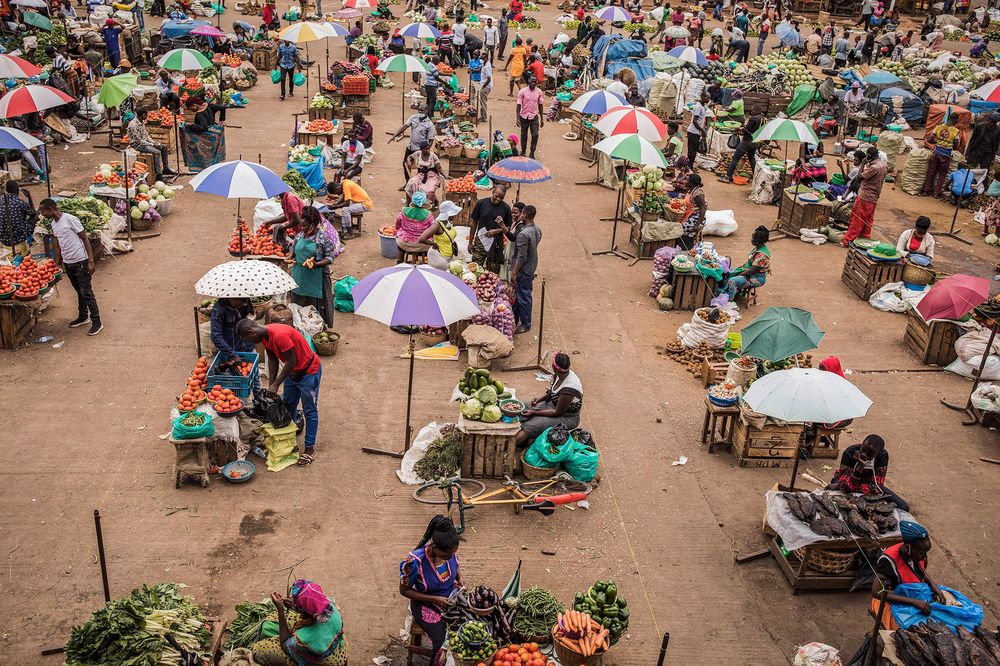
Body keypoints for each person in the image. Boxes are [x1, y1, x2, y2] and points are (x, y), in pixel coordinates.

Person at [237, 320, 322, 464]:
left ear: (251, 332)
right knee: (288, 406)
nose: (250, 343)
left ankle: (309, 448)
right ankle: (290, 439)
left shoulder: (279, 335)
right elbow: (273, 360)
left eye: (248, 339)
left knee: (310, 410)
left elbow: (291, 361)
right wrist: (272, 385)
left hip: (309, 372)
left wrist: (276, 384)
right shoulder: (265, 337)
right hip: (292, 373)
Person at [399, 516, 462, 666]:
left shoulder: (449, 551)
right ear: (434, 547)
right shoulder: (415, 562)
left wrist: (460, 578)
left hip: (450, 599)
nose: (450, 557)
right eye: (446, 555)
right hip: (425, 605)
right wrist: (435, 599)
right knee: (442, 642)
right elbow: (404, 591)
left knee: (466, 630)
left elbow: (455, 566)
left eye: (452, 554)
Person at [39, 198, 101, 335]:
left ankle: (97, 322)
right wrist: (58, 263)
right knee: (79, 290)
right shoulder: (54, 224)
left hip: (80, 261)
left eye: (43, 211)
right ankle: (83, 316)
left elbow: (84, 238)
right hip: (68, 263)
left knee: (87, 293)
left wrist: (90, 261)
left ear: (51, 209)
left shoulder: (70, 219)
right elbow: (61, 244)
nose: (42, 214)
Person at [251, 579, 348, 665]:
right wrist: (290, 602)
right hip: (330, 638)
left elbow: (285, 644)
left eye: (299, 607)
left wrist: (280, 610)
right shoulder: (329, 606)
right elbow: (309, 605)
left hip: (319, 654)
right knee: (271, 623)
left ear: (307, 613)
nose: (296, 609)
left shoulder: (305, 639)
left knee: (259, 649)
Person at [871, 522, 945, 630]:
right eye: (921, 553)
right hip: (889, 601)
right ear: (907, 548)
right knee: (916, 629)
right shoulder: (888, 561)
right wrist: (913, 602)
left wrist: (933, 585)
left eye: (926, 553)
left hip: (913, 596)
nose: (924, 556)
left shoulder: (918, 554)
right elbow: (876, 592)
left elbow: (921, 571)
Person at [515, 352, 583, 447]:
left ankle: (506, 446)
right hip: (552, 405)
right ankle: (523, 437)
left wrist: (534, 412)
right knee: (520, 406)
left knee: (532, 425)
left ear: (554, 367)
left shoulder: (570, 388)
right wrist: (540, 399)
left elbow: (557, 412)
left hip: (567, 417)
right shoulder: (559, 374)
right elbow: (552, 392)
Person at [829, 434, 909, 510]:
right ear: (862, 444)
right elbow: (846, 487)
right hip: (847, 479)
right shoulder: (849, 453)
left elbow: (877, 486)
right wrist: (860, 466)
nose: (864, 455)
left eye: (869, 454)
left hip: (868, 483)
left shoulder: (882, 456)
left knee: (903, 507)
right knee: (833, 498)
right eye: (863, 450)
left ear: (878, 453)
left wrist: (861, 466)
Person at [288, 207, 336, 327]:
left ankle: (315, 329)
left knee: (312, 309)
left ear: (313, 224)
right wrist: (290, 255)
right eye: (301, 225)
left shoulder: (323, 238)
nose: (302, 228)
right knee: (298, 305)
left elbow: (330, 257)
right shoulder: (300, 235)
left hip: (315, 278)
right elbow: (293, 249)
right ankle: (300, 328)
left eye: (305, 225)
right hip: (299, 276)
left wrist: (316, 264)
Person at [842, 147, 887, 246]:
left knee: (857, 219)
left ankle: (847, 240)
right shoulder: (883, 165)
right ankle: (864, 240)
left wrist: (863, 164)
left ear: (869, 156)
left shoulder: (874, 168)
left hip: (865, 196)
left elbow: (859, 177)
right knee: (867, 220)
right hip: (874, 197)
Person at [507, 204, 541, 333]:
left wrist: (514, 272)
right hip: (532, 265)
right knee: (520, 294)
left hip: (524, 269)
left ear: (526, 215)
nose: (520, 215)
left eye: (522, 213)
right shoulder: (537, 229)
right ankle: (516, 317)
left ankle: (526, 324)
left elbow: (521, 256)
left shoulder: (523, 234)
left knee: (524, 296)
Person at [715, 225, 770, 305]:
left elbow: (751, 272)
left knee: (732, 280)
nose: (751, 239)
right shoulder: (758, 248)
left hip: (756, 278)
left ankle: (728, 302)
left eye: (753, 238)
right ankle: (724, 293)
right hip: (747, 271)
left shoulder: (762, 256)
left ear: (757, 240)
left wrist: (738, 275)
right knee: (726, 273)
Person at [390, 104, 436, 187]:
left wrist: (426, 151)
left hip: (420, 150)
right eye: (419, 110)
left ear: (426, 111)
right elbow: (405, 126)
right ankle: (408, 184)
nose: (420, 111)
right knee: (406, 164)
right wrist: (395, 135)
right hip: (410, 147)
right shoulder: (413, 118)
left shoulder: (429, 125)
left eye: (422, 110)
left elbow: (431, 140)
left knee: (421, 168)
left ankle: (419, 186)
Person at [469, 185, 512, 273]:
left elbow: (509, 228)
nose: (498, 199)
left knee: (493, 272)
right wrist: (470, 242)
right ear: (492, 192)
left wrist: (496, 231)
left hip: (496, 244)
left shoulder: (506, 208)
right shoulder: (481, 203)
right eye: (497, 196)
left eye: (502, 198)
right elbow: (474, 223)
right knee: (475, 269)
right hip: (481, 241)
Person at [127, 109, 175, 181]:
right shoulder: (133, 125)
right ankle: (159, 175)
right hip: (136, 145)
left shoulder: (141, 121)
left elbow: (146, 136)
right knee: (157, 152)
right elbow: (139, 140)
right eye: (144, 115)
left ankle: (166, 169)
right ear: (140, 115)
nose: (146, 117)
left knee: (164, 147)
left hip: (144, 142)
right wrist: (152, 144)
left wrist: (154, 143)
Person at [182, 100, 227, 172]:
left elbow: (203, 127)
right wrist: (222, 119)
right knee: (212, 154)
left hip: (206, 137)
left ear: (194, 105)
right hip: (214, 135)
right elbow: (222, 107)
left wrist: (190, 126)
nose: (192, 111)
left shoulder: (199, 114)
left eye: (191, 108)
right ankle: (213, 167)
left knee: (205, 154)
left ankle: (205, 169)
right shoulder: (208, 105)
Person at [923, 114, 960, 198]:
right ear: (956, 121)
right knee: (942, 174)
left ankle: (926, 190)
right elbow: (955, 146)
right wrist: (947, 143)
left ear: (948, 118)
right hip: (946, 155)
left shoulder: (938, 127)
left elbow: (929, 140)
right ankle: (936, 193)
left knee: (931, 171)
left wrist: (938, 142)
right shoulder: (956, 131)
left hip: (936, 152)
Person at [720, 110, 762, 182]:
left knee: (735, 158)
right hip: (755, 142)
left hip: (747, 142)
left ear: (756, 110)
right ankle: (757, 176)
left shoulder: (753, 119)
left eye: (753, 110)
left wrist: (740, 129)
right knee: (751, 158)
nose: (751, 112)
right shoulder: (762, 119)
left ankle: (728, 177)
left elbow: (746, 130)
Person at [418, 200, 460, 270]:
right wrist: (434, 244)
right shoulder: (437, 225)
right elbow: (422, 238)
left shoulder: (448, 222)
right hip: (438, 257)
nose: (455, 215)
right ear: (448, 214)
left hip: (447, 254)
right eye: (453, 213)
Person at [0, 180, 37, 260]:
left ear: (6, 190)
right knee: (35, 218)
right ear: (17, 189)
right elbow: (33, 214)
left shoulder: (1, 200)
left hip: (4, 239)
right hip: (18, 238)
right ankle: (30, 242)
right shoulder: (20, 202)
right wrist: (29, 197)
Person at [395, 190, 436, 257]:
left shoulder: (403, 211)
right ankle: (426, 259)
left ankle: (400, 259)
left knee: (398, 236)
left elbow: (397, 225)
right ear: (423, 203)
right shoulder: (428, 214)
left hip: (404, 243)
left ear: (413, 202)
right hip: (423, 245)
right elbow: (433, 229)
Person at [516, 75, 544, 159]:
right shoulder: (522, 91)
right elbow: (518, 106)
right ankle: (523, 151)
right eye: (532, 81)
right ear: (528, 81)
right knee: (524, 135)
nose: (533, 83)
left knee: (535, 135)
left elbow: (540, 105)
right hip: (523, 116)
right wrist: (517, 119)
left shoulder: (539, 92)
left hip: (534, 116)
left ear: (537, 82)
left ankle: (532, 152)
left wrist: (542, 119)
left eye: (535, 82)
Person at [676, 173, 706, 250]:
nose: (685, 181)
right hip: (689, 215)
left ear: (691, 183)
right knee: (675, 224)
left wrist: (697, 224)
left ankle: (685, 247)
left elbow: (703, 208)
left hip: (697, 218)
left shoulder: (697, 194)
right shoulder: (691, 190)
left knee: (680, 228)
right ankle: (678, 245)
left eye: (687, 180)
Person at [686, 91, 709, 165]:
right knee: (692, 151)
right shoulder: (699, 107)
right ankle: (689, 166)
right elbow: (694, 121)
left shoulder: (702, 106)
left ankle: (690, 166)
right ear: (702, 97)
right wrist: (702, 130)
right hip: (693, 131)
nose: (708, 99)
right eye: (707, 97)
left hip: (696, 132)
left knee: (694, 150)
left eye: (709, 98)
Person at [477, 56, 493, 123]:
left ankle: (483, 117)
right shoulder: (487, 63)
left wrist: (483, 86)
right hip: (487, 86)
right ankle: (483, 116)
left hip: (485, 87)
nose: (481, 60)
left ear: (486, 59)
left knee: (483, 102)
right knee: (483, 101)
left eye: (482, 59)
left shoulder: (486, 67)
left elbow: (489, 79)